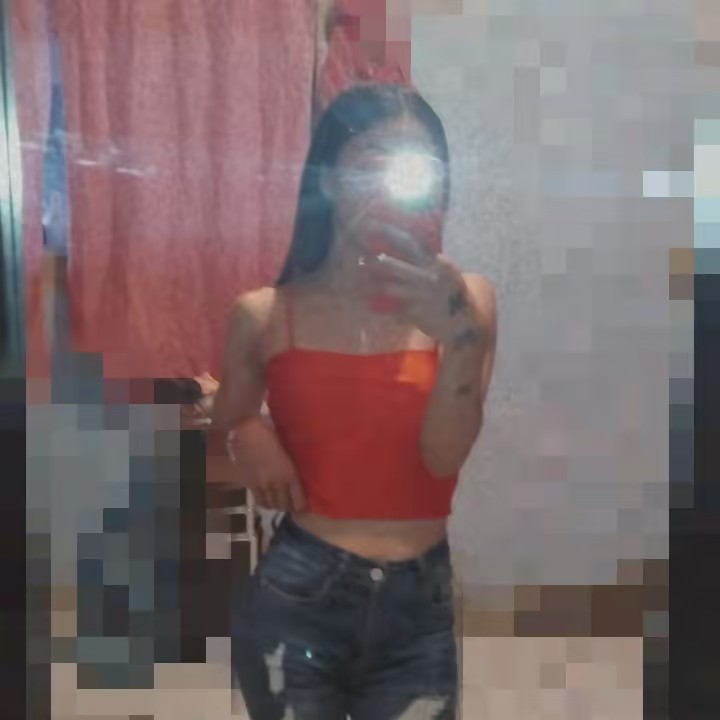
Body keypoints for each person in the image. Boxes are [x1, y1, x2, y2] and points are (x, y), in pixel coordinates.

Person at [209, 84, 497, 720]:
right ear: (328, 180)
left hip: (420, 603)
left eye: (414, 167)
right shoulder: (264, 314)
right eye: (371, 160)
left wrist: (462, 340)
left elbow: (442, 457)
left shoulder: (468, 301)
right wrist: (246, 432)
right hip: (298, 592)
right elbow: (218, 441)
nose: (391, 184)